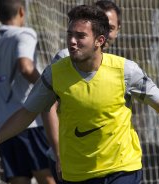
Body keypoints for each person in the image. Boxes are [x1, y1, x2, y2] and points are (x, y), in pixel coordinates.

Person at [0, 4, 159, 184]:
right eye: (70, 34)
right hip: (78, 173)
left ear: (100, 40)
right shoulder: (55, 73)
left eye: (80, 36)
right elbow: (28, 112)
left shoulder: (125, 70)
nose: (72, 41)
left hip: (122, 167)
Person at [42, 0, 122, 179]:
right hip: (70, 160)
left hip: (106, 165)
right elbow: (47, 107)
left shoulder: (121, 66)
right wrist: (59, 154)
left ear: (117, 30)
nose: (106, 32)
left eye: (111, 27)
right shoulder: (66, 59)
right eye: (103, 26)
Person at [0, 0, 56, 183]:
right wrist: (49, 89)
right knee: (48, 178)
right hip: (29, 124)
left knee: (18, 180)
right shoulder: (25, 34)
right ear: (22, 11)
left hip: (1, 128)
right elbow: (26, 67)